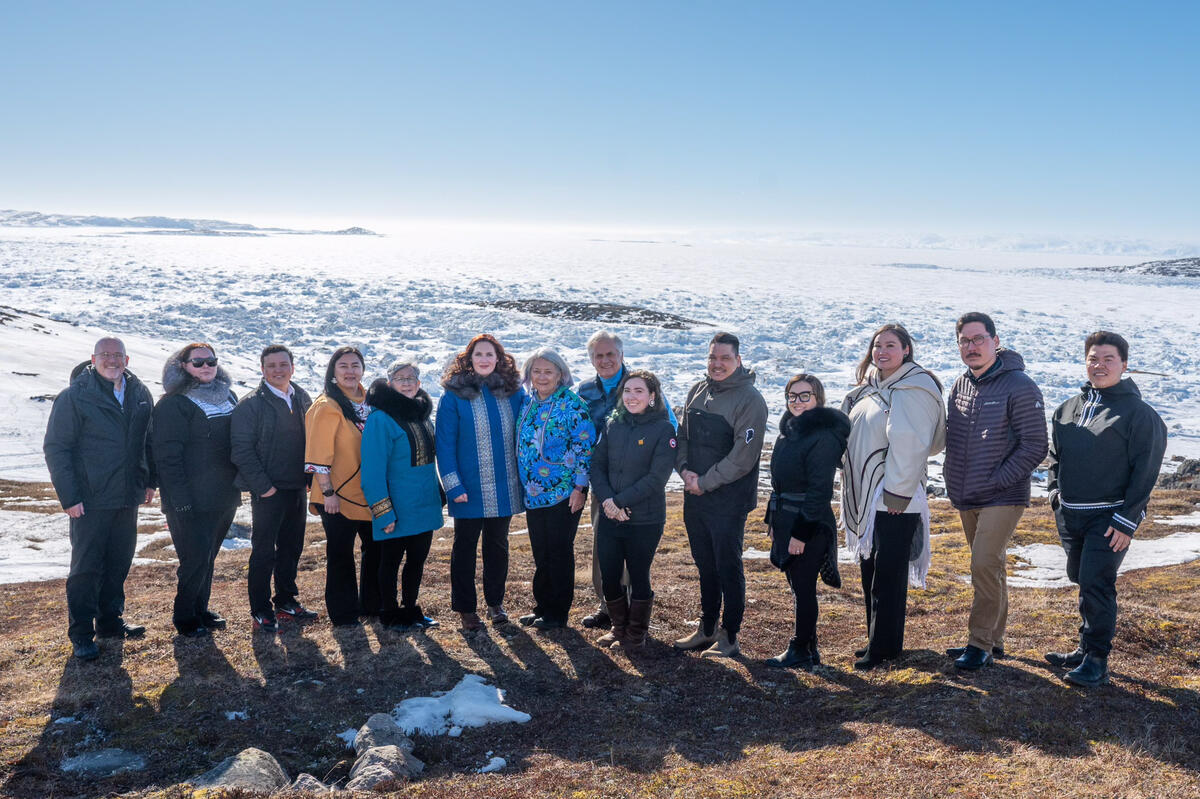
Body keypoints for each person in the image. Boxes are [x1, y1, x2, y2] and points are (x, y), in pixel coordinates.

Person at [1045, 331, 1166, 687]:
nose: (1099, 366)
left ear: (1125, 365)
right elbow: (1056, 457)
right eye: (1093, 359)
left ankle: (1097, 659)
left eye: (1108, 359)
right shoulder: (1067, 408)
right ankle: (1084, 648)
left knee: (1097, 582)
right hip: (1070, 514)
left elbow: (1146, 470)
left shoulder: (1139, 415)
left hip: (1111, 517)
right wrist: (1054, 493)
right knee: (1080, 577)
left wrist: (1127, 520)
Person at [943, 312, 1047, 670]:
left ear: (995, 341)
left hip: (1003, 495)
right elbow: (953, 440)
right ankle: (995, 641)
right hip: (967, 494)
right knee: (993, 567)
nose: (971, 347)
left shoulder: (1020, 385)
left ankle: (979, 643)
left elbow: (1035, 445)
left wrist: (999, 478)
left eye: (978, 339)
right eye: (965, 341)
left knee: (983, 563)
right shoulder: (961, 384)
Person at [841, 323, 946, 670]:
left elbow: (911, 442)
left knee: (887, 573)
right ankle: (876, 638)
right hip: (871, 494)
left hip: (894, 496)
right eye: (876, 345)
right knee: (871, 567)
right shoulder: (873, 388)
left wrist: (897, 493)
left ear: (906, 350)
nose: (881, 351)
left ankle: (885, 648)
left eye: (890, 345)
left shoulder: (912, 388)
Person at [44, 337, 155, 660]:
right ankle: (81, 633)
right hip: (89, 500)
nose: (112, 360)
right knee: (86, 568)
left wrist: (149, 480)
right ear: (93, 359)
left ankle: (110, 621)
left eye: (117, 355)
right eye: (105, 355)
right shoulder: (74, 397)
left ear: (127, 359)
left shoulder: (139, 393)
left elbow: (148, 440)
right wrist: (69, 497)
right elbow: (57, 449)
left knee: (119, 562)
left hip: (126, 496)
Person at [673, 331, 768, 658]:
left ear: (738, 360)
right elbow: (681, 436)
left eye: (725, 358)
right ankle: (707, 627)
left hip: (727, 499)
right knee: (705, 563)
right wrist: (684, 469)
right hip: (695, 494)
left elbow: (742, 457)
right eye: (713, 357)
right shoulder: (697, 391)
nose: (717, 364)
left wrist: (705, 482)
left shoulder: (750, 400)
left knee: (727, 565)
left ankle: (729, 635)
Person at [576, 330, 677, 629]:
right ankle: (607, 607)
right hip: (603, 485)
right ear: (592, 359)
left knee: (634, 555)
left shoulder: (640, 384)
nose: (605, 360)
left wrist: (626, 496)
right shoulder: (584, 391)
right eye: (599, 355)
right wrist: (604, 496)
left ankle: (633, 612)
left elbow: (668, 424)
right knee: (604, 551)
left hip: (638, 490)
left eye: (610, 354)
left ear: (621, 356)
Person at [435, 334, 527, 631]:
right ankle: (465, 609)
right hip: (468, 488)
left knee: (497, 546)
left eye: (490, 354)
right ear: (469, 359)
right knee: (465, 548)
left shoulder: (513, 393)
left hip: (504, 484)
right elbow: (445, 444)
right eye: (479, 355)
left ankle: (495, 603)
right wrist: (453, 485)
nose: (484, 359)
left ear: (498, 358)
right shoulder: (454, 395)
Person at [151, 342, 241, 638]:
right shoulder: (174, 403)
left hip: (223, 495)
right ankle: (185, 616)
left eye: (210, 361)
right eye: (198, 362)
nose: (206, 367)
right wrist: (180, 501)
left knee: (209, 557)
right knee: (194, 559)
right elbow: (167, 456)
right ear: (183, 366)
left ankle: (201, 609)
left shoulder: (229, 396)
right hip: (189, 499)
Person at [763, 374, 850, 671]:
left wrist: (800, 533)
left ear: (818, 399)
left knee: (803, 587)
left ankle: (800, 648)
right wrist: (773, 520)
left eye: (805, 395)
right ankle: (809, 648)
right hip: (787, 517)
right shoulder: (788, 432)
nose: (797, 402)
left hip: (809, 523)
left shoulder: (823, 436)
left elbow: (819, 491)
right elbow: (779, 484)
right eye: (792, 396)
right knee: (797, 585)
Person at [230, 344, 317, 633]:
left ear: (292, 367)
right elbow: (241, 450)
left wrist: (310, 478)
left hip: (296, 488)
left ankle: (286, 600)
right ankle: (261, 609)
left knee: (292, 547)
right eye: (272, 366)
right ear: (262, 369)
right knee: (264, 551)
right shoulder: (251, 404)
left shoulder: (302, 397)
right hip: (268, 490)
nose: (278, 370)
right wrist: (263, 487)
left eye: (283, 364)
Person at [361, 359, 444, 631]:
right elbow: (372, 471)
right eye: (400, 378)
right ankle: (390, 612)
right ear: (389, 384)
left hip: (423, 503)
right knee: (390, 562)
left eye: (411, 378)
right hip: (396, 505)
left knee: (417, 560)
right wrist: (383, 510)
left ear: (419, 385)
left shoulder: (422, 415)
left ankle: (411, 610)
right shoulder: (380, 418)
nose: (407, 382)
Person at [515, 348, 595, 630]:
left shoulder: (573, 405)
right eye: (536, 371)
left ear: (561, 374)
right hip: (535, 493)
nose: (542, 377)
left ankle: (558, 613)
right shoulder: (529, 403)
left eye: (548, 371)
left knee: (559, 551)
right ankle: (542, 607)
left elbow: (584, 447)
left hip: (564, 492)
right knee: (541, 552)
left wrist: (580, 487)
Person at [305, 346, 380, 627]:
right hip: (336, 494)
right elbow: (318, 452)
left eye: (355, 365)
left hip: (368, 493)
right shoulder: (327, 406)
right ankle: (344, 613)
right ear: (333, 373)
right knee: (340, 554)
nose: (350, 371)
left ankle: (373, 605)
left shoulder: (369, 402)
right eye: (343, 366)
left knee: (375, 551)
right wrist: (327, 493)